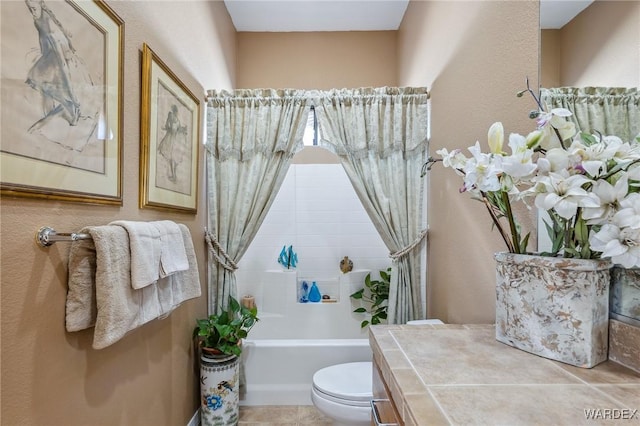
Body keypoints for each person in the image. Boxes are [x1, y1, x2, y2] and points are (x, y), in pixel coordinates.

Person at [24, 0, 93, 133]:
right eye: (29, 9)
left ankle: (70, 107)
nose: (32, 13)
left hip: (63, 60)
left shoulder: (50, 25)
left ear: (41, 5)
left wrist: (72, 95)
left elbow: (62, 64)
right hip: (52, 57)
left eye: (33, 8)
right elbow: (42, 42)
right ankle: (53, 117)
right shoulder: (38, 21)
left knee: (57, 87)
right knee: (38, 78)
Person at [158, 104, 187, 182]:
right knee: (171, 157)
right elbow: (167, 126)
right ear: (174, 111)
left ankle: (174, 175)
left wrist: (184, 129)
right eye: (176, 111)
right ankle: (173, 175)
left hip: (175, 139)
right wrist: (169, 129)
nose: (177, 113)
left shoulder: (177, 120)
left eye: (176, 111)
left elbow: (179, 128)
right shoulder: (170, 116)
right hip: (170, 138)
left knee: (175, 157)